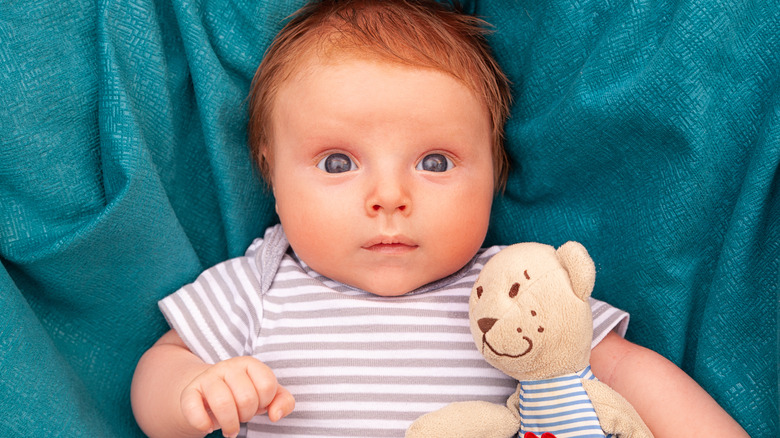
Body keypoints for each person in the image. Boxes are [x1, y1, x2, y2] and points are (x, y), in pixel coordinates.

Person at [130, 1, 749, 437]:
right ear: (270, 171)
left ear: (494, 174)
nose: (389, 196)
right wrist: (195, 394)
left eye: (434, 161)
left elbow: (629, 371)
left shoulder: (510, 289)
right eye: (338, 162)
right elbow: (161, 370)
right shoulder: (259, 285)